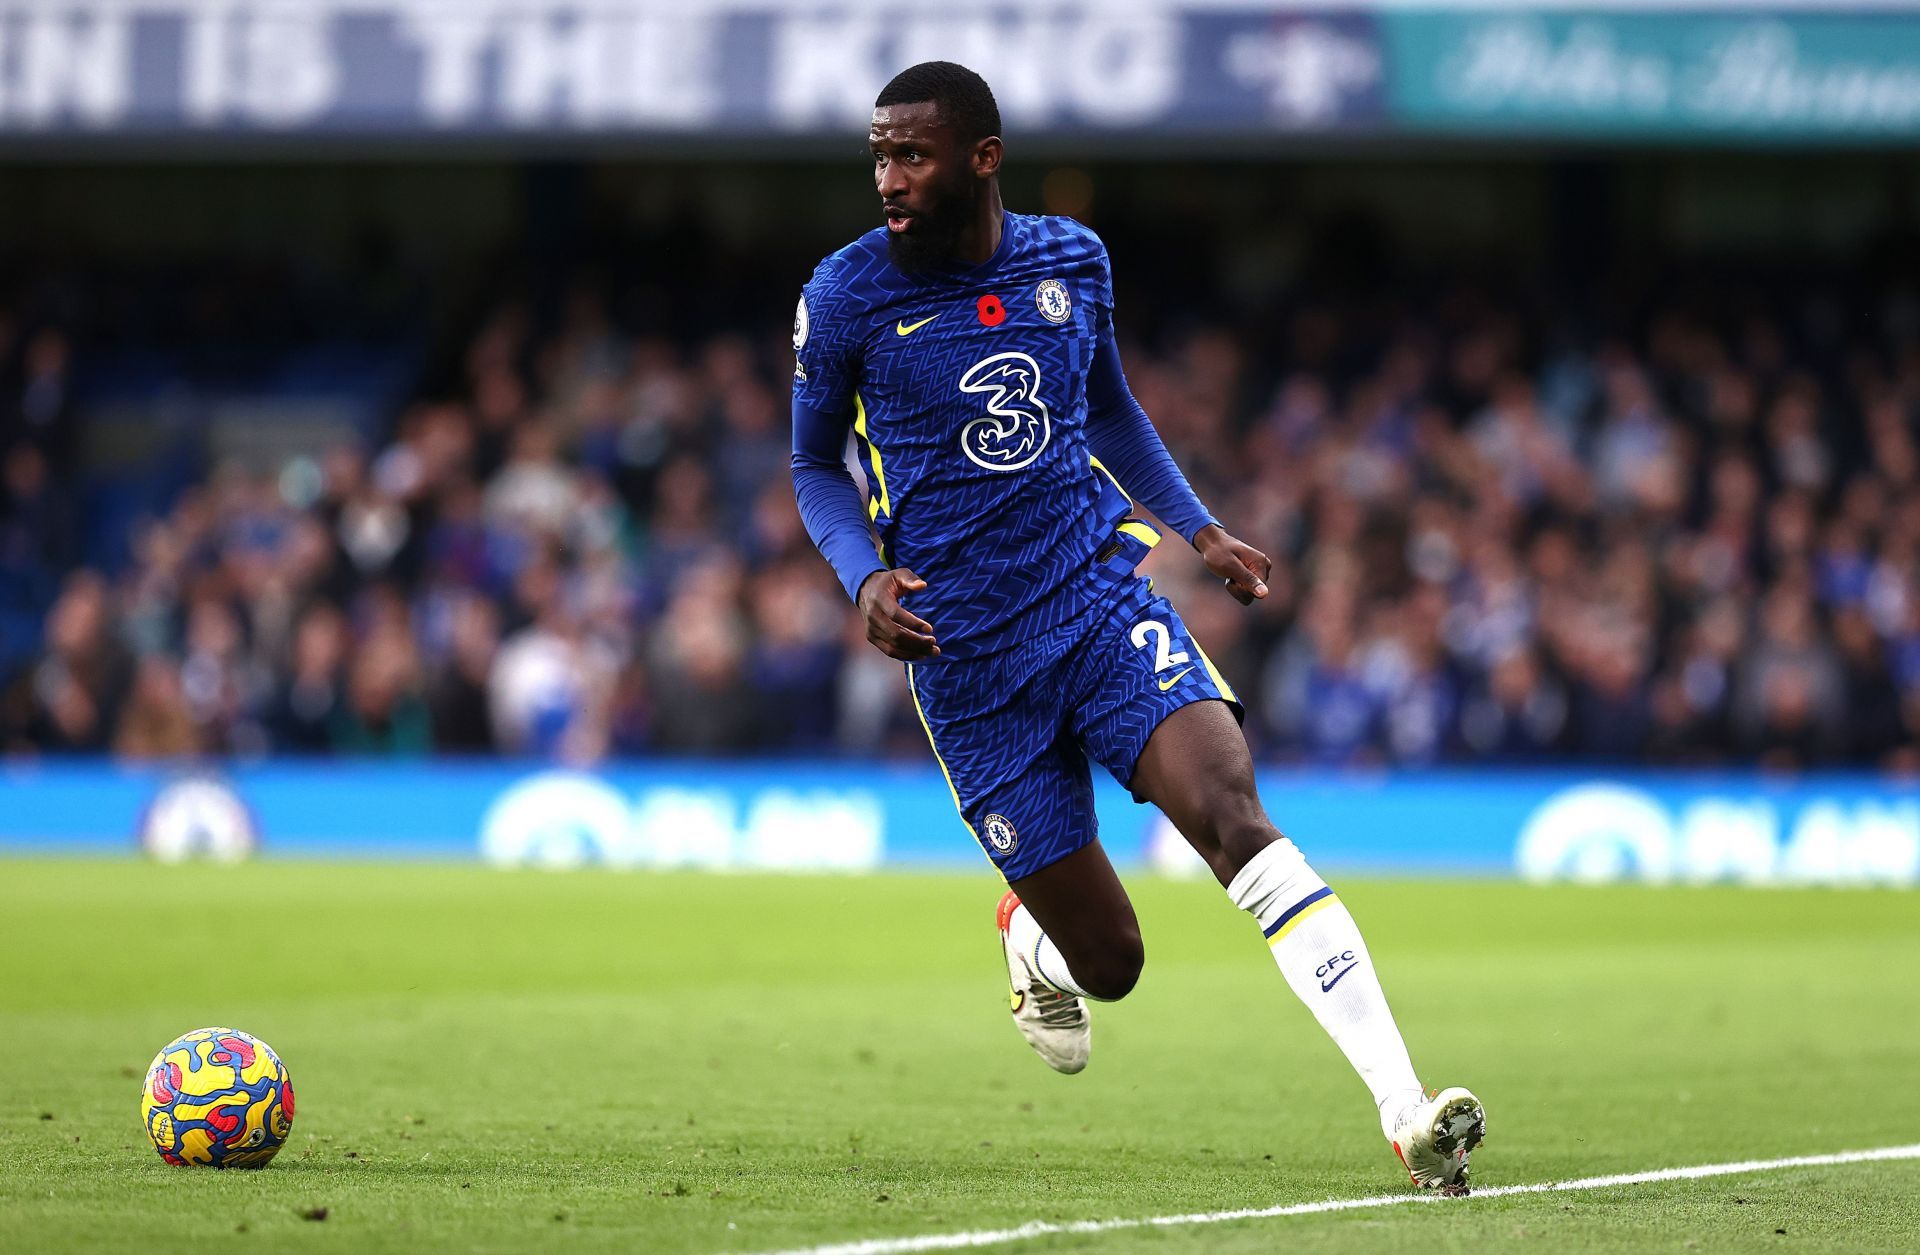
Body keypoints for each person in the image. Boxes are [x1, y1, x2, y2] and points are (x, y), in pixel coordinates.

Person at [789, 62, 1484, 1192]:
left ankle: (1406, 1111)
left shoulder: (1073, 259)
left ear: (983, 158)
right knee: (1111, 964)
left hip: (1096, 600)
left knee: (1233, 818)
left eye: (912, 153)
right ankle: (1032, 935)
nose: (888, 177)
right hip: (965, 660)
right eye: (879, 154)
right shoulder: (848, 293)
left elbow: (1108, 404)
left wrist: (1198, 528)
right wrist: (861, 577)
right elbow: (814, 459)